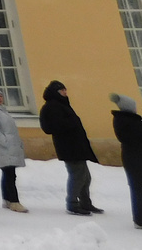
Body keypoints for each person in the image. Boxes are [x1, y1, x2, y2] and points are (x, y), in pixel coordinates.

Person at [39, 80, 102, 215]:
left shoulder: (62, 105)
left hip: (76, 146)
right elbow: (50, 127)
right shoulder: (52, 106)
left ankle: (85, 202)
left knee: (85, 177)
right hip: (69, 147)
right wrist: (71, 123)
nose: (65, 93)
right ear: (56, 92)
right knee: (77, 176)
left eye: (65, 90)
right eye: (62, 91)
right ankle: (72, 203)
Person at [0, 87, 27, 212]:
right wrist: (5, 141)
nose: (0, 98)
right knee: (10, 174)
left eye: (1, 96)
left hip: (8, 147)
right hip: (4, 148)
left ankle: (7, 199)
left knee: (8, 173)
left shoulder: (1, 110)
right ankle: (14, 201)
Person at [110, 92, 142, 229]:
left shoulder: (122, 121)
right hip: (139, 160)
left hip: (132, 159)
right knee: (139, 189)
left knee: (138, 189)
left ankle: (141, 218)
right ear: (129, 108)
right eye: (134, 106)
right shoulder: (133, 123)